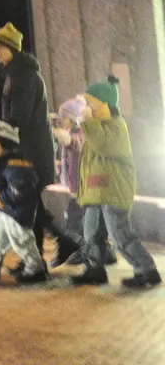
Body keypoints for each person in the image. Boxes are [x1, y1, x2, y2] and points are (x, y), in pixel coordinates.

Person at [0, 23, 78, 266]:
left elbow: (20, 116)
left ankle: (53, 248)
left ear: (12, 48)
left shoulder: (23, 76)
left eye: (0, 46)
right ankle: (38, 257)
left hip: (30, 152)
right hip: (26, 149)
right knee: (30, 205)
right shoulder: (16, 73)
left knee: (28, 206)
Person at [64, 77, 160, 289]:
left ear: (105, 105)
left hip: (113, 190)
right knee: (91, 234)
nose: (87, 108)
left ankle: (147, 270)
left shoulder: (116, 126)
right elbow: (88, 163)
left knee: (120, 235)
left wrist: (89, 122)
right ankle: (94, 269)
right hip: (96, 191)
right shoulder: (95, 127)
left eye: (91, 104)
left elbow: (102, 146)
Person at [0, 121, 48, 283]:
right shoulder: (4, 165)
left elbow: (18, 191)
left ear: (4, 145)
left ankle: (35, 267)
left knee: (21, 238)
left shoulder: (17, 166)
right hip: (7, 209)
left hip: (18, 212)